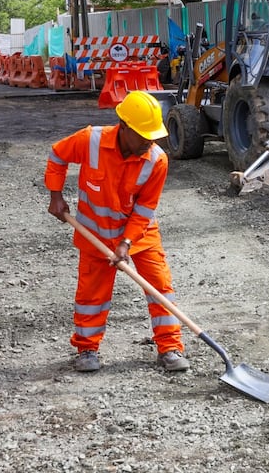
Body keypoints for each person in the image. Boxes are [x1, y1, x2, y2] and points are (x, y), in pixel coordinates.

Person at [44, 90, 190, 373]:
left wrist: (126, 242)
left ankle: (170, 347)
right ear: (124, 127)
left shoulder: (156, 160)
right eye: (143, 135)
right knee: (92, 295)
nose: (150, 141)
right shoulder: (91, 140)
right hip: (95, 234)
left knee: (159, 287)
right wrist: (55, 195)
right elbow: (57, 154)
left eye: (152, 135)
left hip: (139, 235)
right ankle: (87, 349)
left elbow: (146, 208)